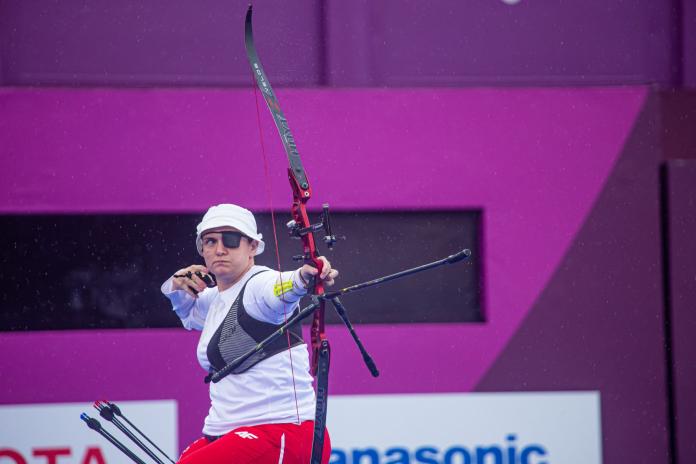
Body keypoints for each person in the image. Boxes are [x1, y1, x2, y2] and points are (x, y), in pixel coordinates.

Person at [161, 204, 337, 463]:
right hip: (230, 432)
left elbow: (281, 288)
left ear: (253, 247)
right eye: (210, 241)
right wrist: (176, 284)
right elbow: (188, 314)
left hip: (283, 432)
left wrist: (303, 277)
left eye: (231, 241)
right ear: (202, 250)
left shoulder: (258, 285)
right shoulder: (215, 299)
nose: (219, 250)